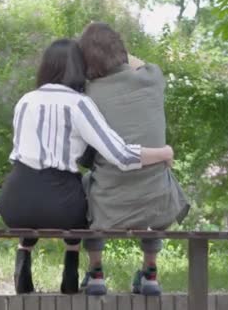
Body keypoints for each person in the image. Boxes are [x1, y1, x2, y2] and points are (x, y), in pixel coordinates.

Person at [0, 38, 175, 295]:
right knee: (85, 196)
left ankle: (23, 259)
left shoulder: (24, 101)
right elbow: (121, 156)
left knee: (34, 198)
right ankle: (70, 272)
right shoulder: (80, 104)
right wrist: (163, 152)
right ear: (79, 69)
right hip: (61, 208)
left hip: (13, 204)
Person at [77, 23, 190, 296]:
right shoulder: (153, 78)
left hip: (109, 202)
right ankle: (150, 272)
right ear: (122, 50)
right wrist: (121, 52)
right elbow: (137, 62)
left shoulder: (88, 94)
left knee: (83, 185)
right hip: (155, 199)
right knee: (161, 177)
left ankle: (96, 272)